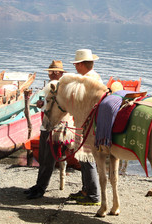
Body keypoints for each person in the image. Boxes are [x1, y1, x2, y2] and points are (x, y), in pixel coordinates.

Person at [24, 60, 67, 199]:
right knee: (43, 157)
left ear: (60, 73)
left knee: (48, 159)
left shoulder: (61, 88)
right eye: (50, 72)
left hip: (54, 127)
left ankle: (41, 187)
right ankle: (38, 185)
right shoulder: (52, 87)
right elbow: (48, 106)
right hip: (45, 125)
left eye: (55, 72)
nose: (52, 74)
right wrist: (42, 105)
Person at [68, 49, 102, 206]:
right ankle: (85, 190)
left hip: (86, 126)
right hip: (90, 124)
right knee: (84, 159)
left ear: (82, 64)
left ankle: (93, 195)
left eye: (76, 64)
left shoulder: (86, 80)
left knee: (86, 158)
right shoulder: (95, 77)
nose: (75, 67)